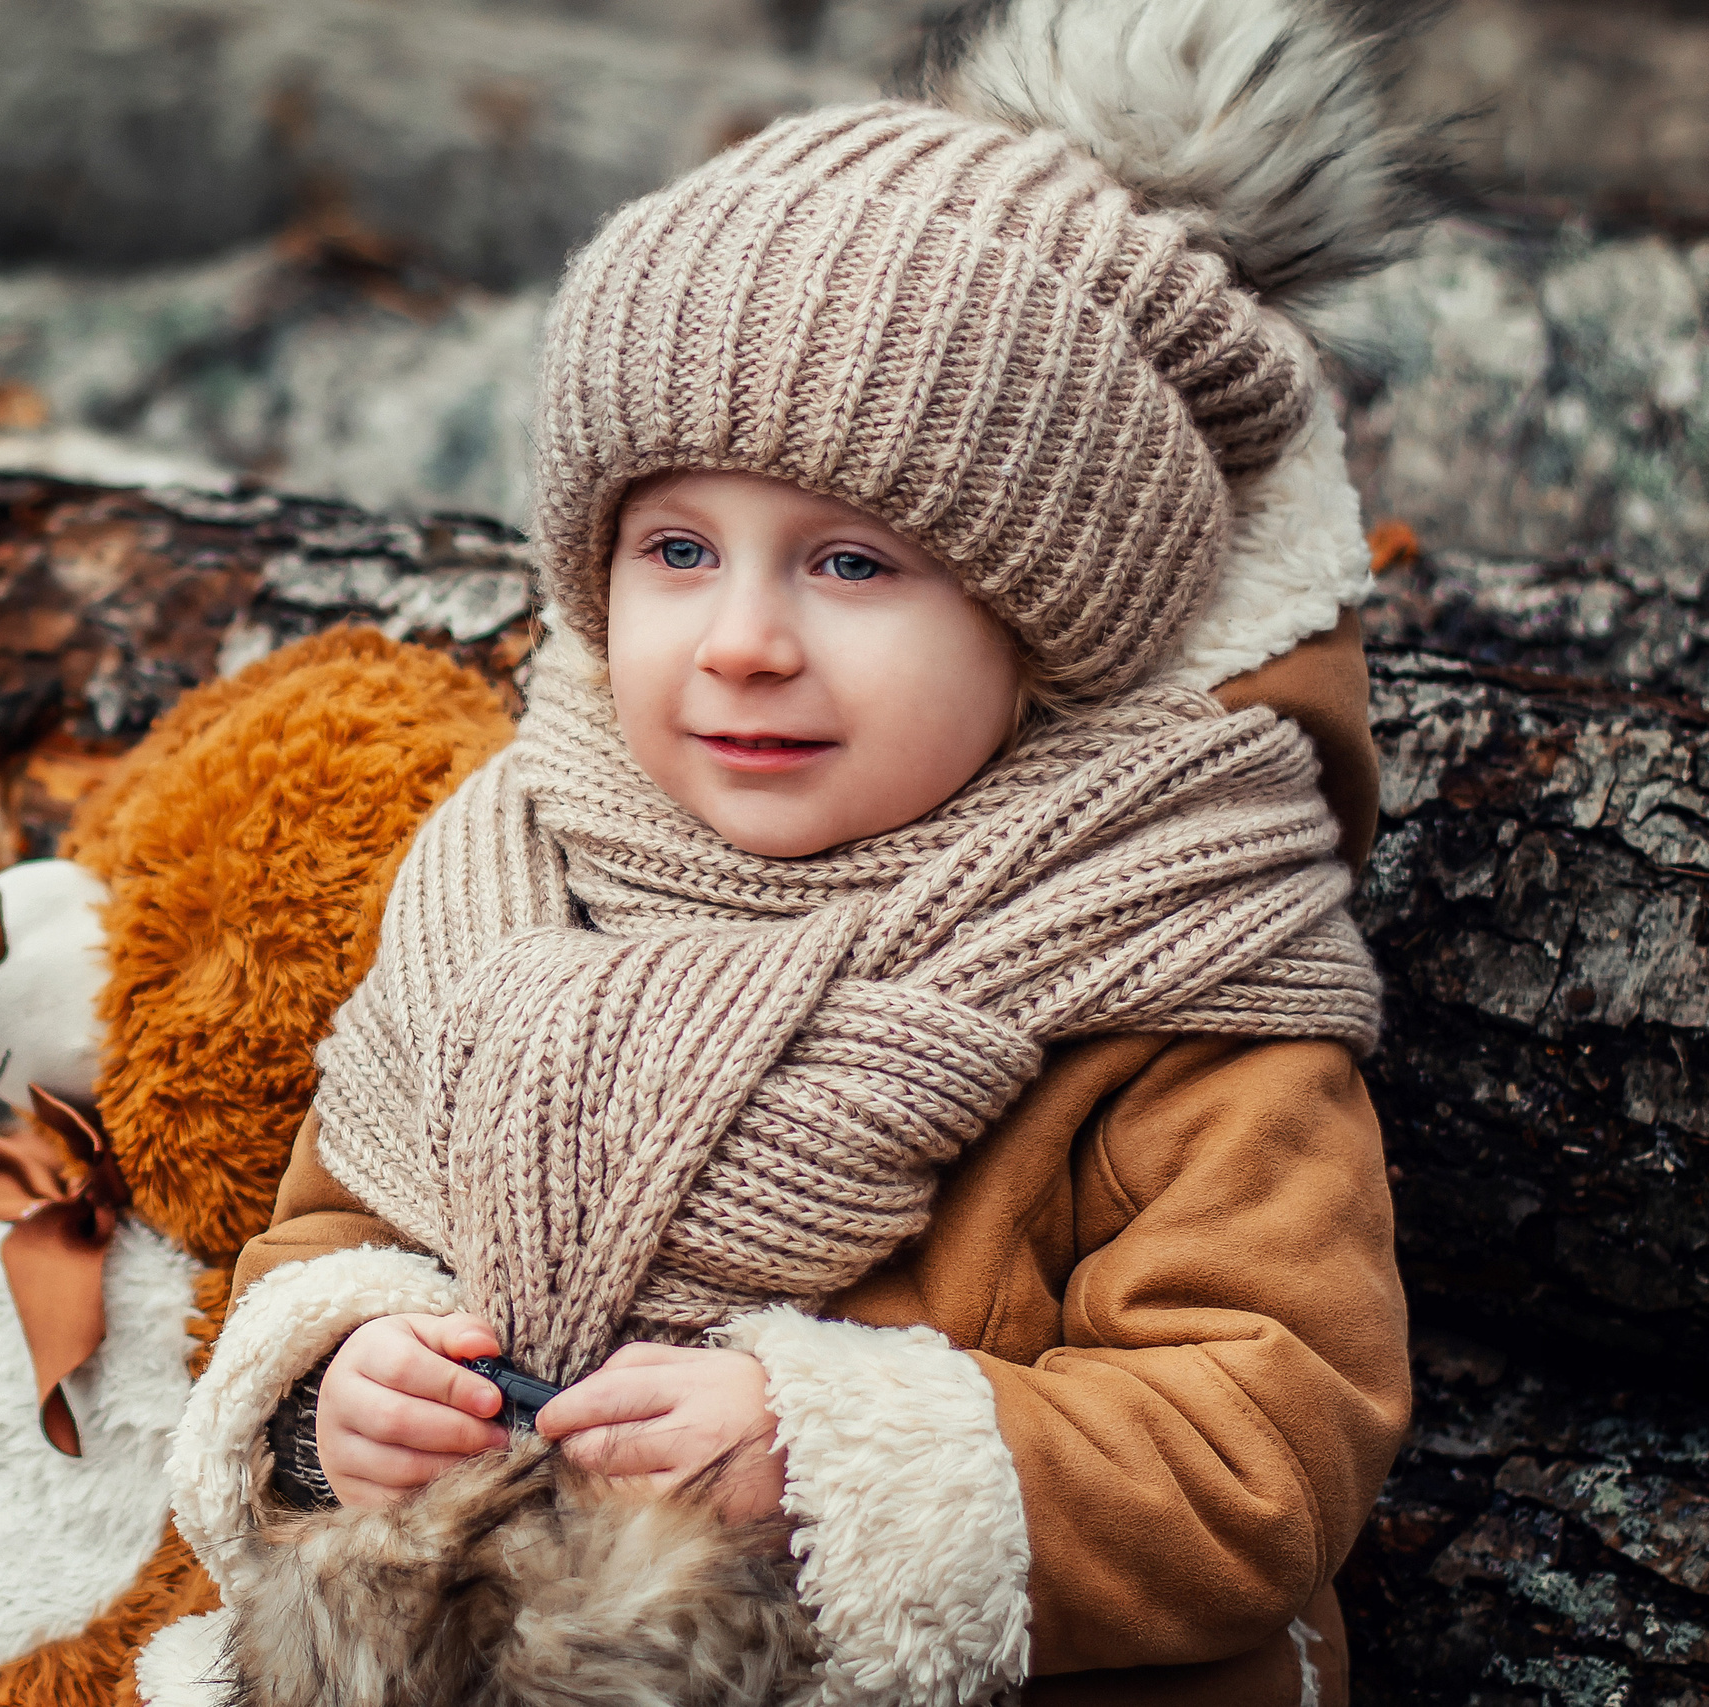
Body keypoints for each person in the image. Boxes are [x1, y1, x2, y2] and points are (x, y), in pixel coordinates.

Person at [151, 2, 1443, 1702]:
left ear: (1044, 617)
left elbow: (1267, 1438)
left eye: (851, 565)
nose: (742, 640)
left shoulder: (1175, 966)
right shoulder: (516, 879)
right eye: (679, 547)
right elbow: (334, 1225)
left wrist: (835, 1468)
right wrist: (339, 1391)